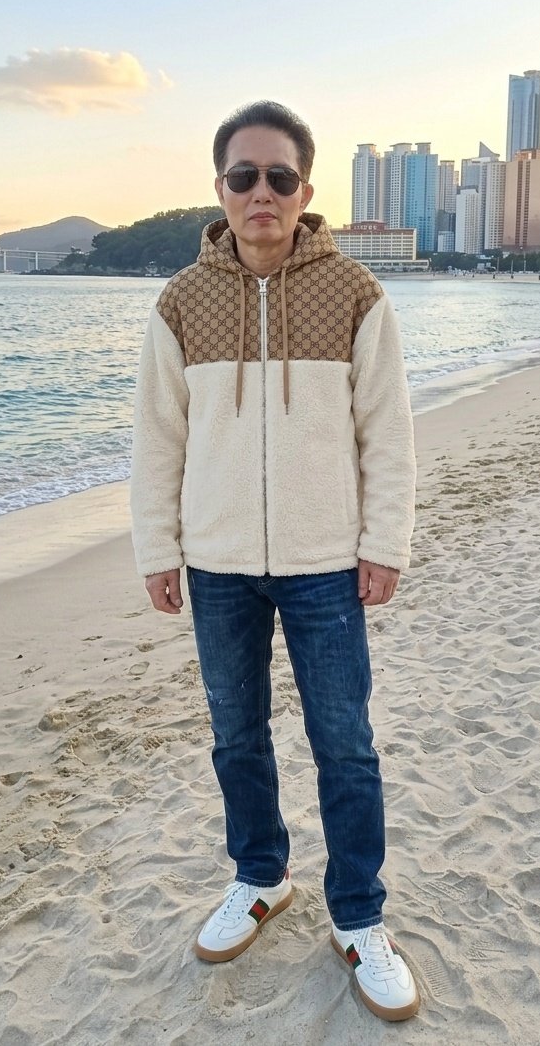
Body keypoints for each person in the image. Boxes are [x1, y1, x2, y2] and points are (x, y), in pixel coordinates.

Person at [130, 101, 419, 1022]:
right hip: (216, 564)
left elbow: (388, 435)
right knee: (236, 735)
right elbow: (158, 440)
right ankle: (261, 876)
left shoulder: (356, 294)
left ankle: (359, 917)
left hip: (326, 562)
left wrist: (384, 545)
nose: (262, 192)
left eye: (279, 176)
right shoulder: (181, 301)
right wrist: (158, 548)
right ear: (220, 189)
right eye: (244, 176)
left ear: (304, 190)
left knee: (346, 743)